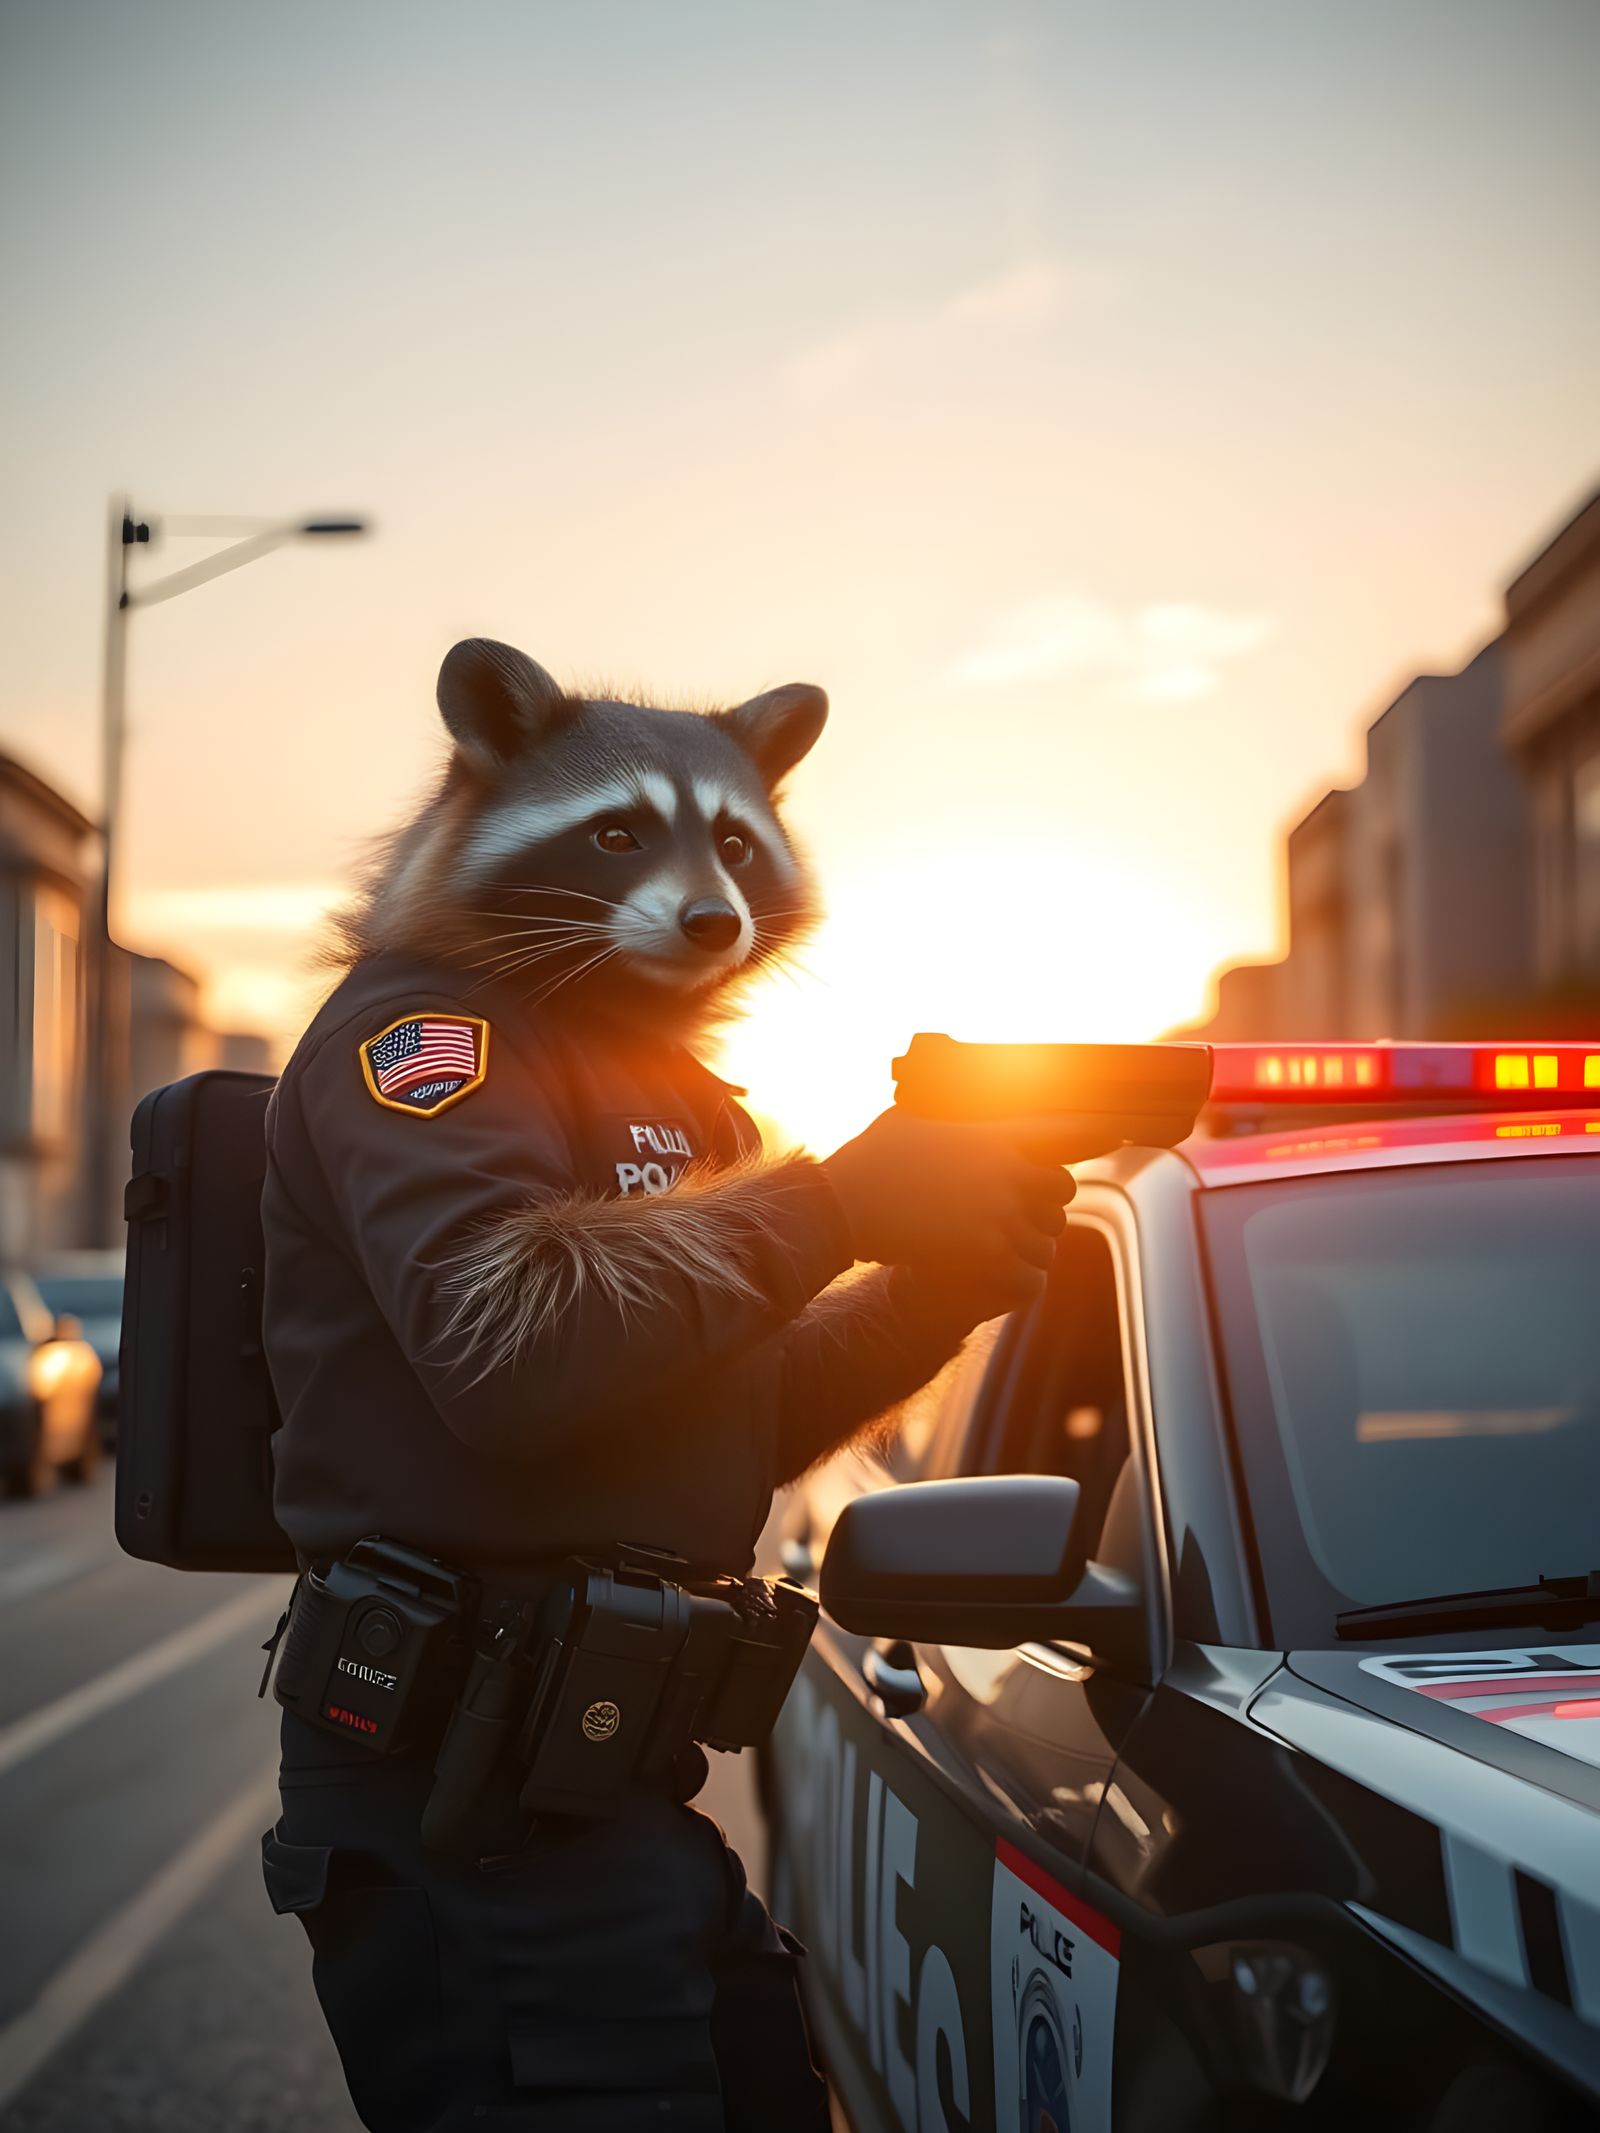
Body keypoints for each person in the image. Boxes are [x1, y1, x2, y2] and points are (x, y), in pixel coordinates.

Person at [258, 638, 1105, 2130]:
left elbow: (743, 1412)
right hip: (472, 1812)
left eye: (729, 838)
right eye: (615, 832)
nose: (700, 886)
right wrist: (835, 1206)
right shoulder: (424, 1037)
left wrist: (951, 1275)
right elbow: (506, 1351)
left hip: (617, 1788)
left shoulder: (684, 1095)